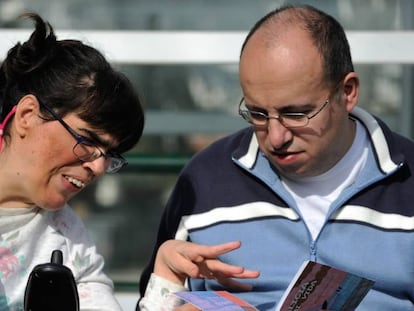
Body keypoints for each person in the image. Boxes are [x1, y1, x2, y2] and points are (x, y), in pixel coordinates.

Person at [138, 4, 414, 311]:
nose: (276, 136)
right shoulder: (205, 180)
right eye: (257, 113)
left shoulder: (409, 181)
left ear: (347, 92)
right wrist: (167, 294)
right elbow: (156, 300)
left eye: (296, 114)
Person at [0, 13, 144, 310]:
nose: (99, 167)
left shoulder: (68, 237)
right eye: (88, 141)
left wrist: (165, 286)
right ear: (27, 115)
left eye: (109, 155)